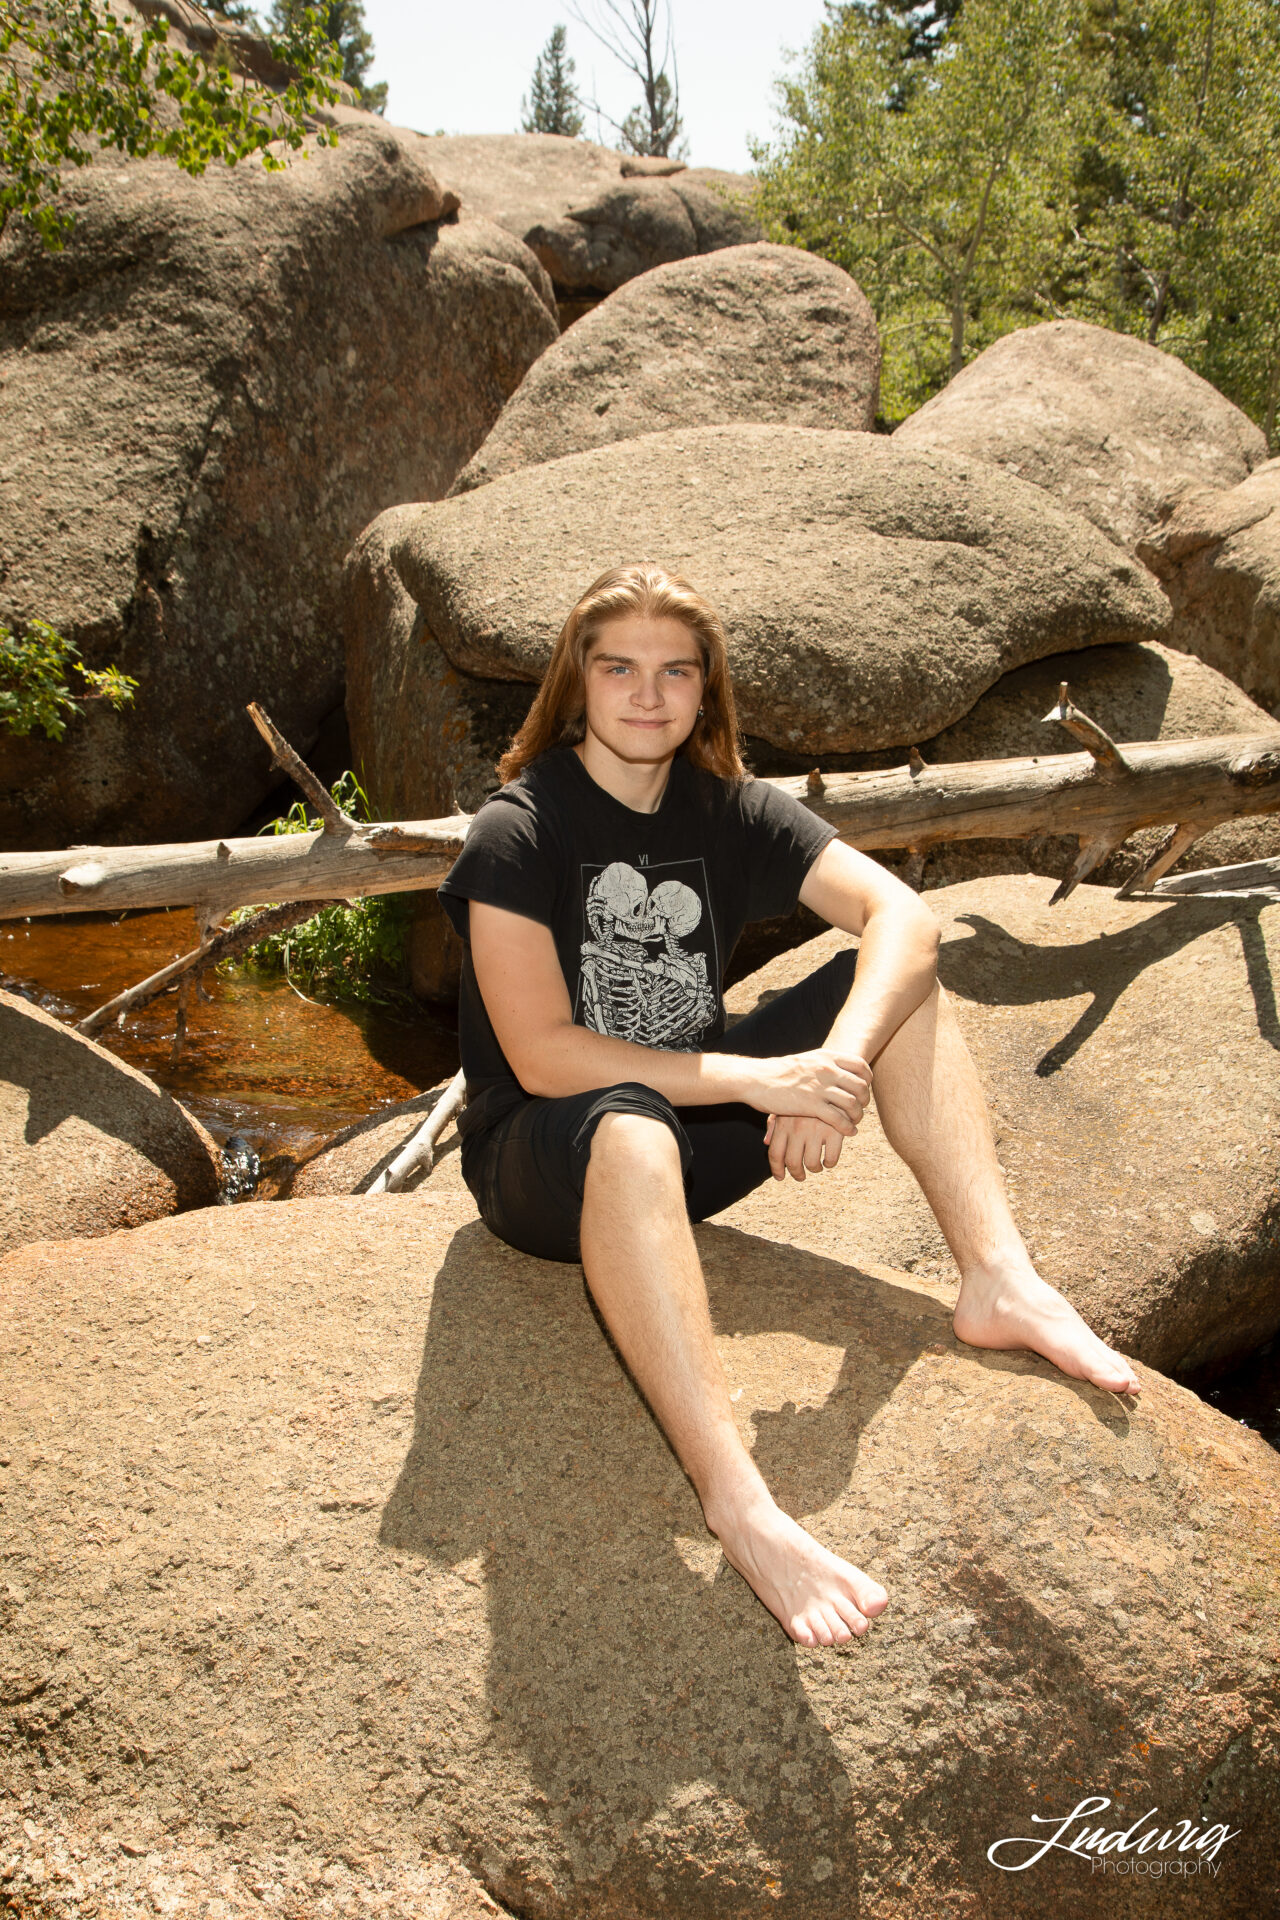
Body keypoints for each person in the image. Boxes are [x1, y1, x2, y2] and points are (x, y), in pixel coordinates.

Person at [437, 563, 1139, 1649]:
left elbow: (903, 918)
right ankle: (739, 1500)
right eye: (617, 666)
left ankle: (996, 1277)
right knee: (624, 1118)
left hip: (692, 1131)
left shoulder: (730, 811)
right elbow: (540, 1056)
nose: (646, 694)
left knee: (900, 984)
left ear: (706, 690)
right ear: (574, 686)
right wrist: (764, 1081)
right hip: (548, 1160)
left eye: (675, 671)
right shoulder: (517, 831)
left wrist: (837, 1067)